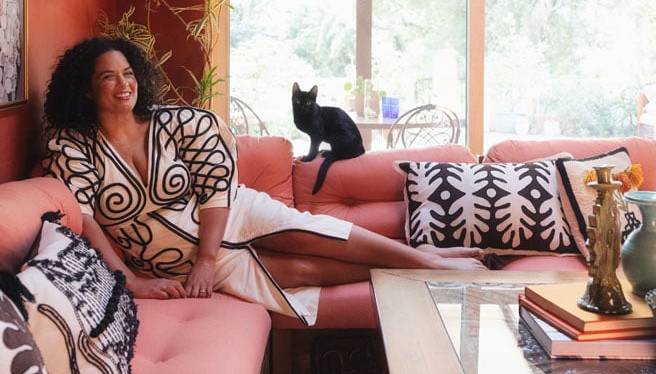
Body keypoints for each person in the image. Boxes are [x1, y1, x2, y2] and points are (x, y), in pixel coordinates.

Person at [41, 37, 484, 326]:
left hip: (228, 218)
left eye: (128, 73)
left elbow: (215, 186)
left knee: (310, 234)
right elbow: (84, 219)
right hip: (171, 261)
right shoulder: (72, 145)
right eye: (108, 76)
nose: (124, 84)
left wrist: (207, 259)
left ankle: (431, 265)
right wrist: (131, 282)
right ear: (85, 88)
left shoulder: (178, 122)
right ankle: (415, 264)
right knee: (303, 274)